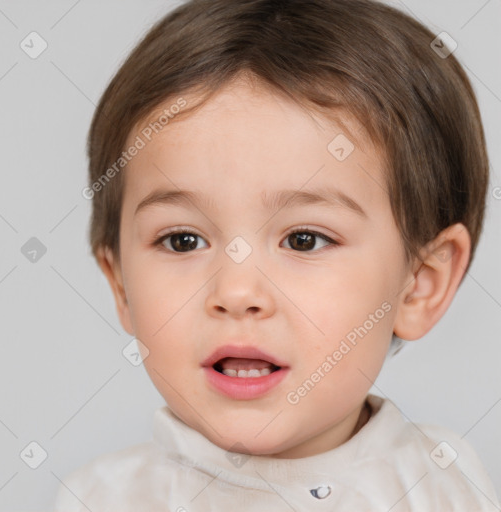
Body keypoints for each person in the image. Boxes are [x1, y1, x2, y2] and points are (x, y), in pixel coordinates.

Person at [53, 0, 500, 509]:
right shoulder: (99, 499)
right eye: (182, 240)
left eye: (304, 239)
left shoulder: (443, 488)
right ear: (120, 286)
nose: (237, 292)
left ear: (420, 283)